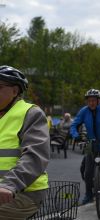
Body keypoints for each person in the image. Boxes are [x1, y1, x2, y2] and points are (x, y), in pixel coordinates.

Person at [0, 65, 50, 219]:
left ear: (15, 91)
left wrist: (9, 184)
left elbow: (35, 156)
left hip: (24, 193)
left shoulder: (30, 113)